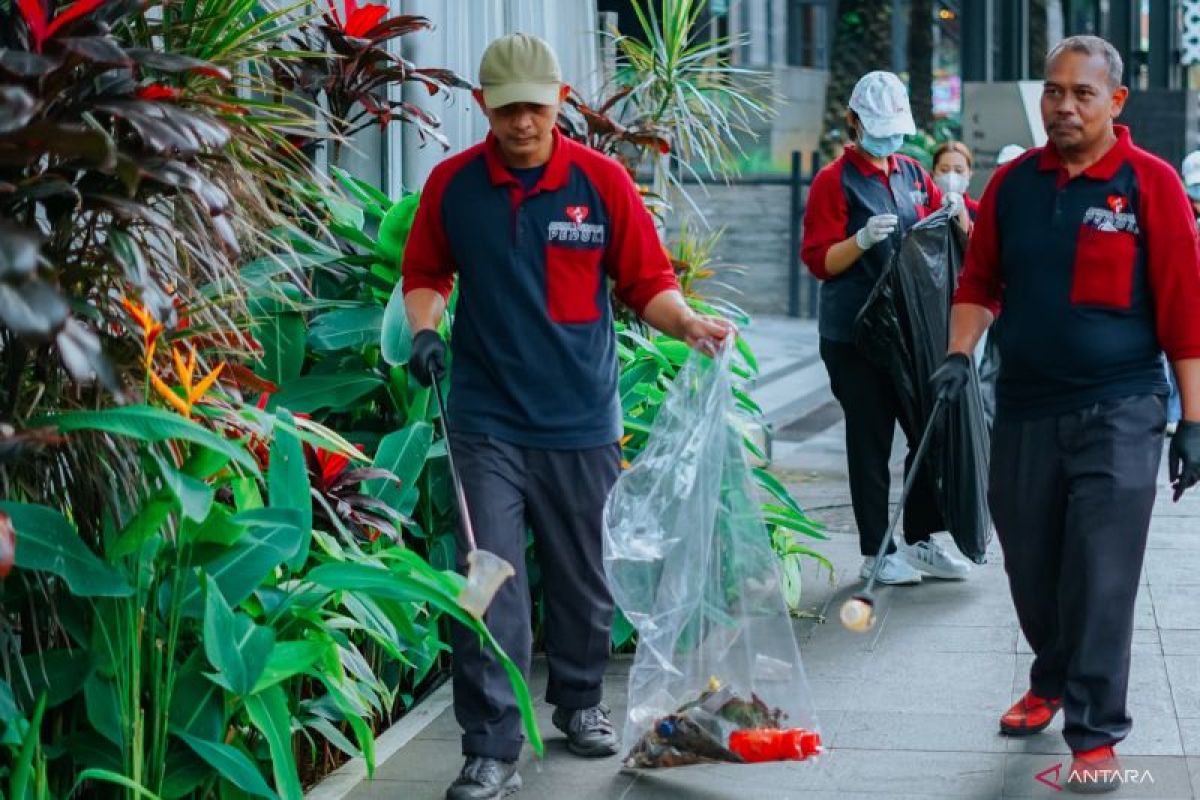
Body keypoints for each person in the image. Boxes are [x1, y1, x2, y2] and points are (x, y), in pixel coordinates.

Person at [401, 33, 734, 800]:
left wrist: (688, 325)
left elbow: (646, 277)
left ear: (561, 105)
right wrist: (425, 330)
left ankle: (581, 702)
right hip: (485, 419)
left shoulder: (602, 181)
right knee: (487, 585)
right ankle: (489, 748)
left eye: (537, 109)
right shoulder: (454, 186)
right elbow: (425, 272)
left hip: (581, 417)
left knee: (584, 580)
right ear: (483, 105)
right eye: (509, 109)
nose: (523, 124)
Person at [930, 35, 1200, 793]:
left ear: (1116, 101)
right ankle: (1051, 674)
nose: (1064, 106)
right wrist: (957, 357)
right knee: (1030, 563)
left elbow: (1185, 311)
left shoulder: (1151, 186)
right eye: (1054, 91)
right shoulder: (1015, 184)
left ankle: (1095, 730)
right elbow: (980, 281)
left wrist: (1194, 420)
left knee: (1102, 572)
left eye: (1082, 93)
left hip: (1123, 406)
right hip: (1024, 405)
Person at [801, 70, 972, 587]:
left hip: (908, 327)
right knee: (871, 440)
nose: (888, 137)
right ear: (853, 121)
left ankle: (920, 540)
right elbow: (819, 261)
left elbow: (938, 232)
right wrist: (859, 241)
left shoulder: (912, 173)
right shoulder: (834, 181)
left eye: (895, 127)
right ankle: (878, 550)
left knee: (926, 432)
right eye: (877, 126)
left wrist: (954, 209)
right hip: (855, 333)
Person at [931, 140, 979, 227]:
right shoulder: (925, 210)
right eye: (944, 170)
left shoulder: (980, 212)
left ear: (970, 174)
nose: (951, 176)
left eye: (958, 170)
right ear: (933, 172)